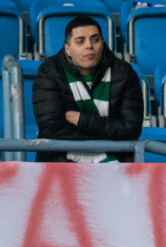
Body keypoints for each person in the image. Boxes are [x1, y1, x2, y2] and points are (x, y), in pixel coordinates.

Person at [32, 16, 143, 162]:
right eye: (80, 41)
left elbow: (131, 129)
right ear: (68, 49)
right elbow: (51, 128)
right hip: (60, 163)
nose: (89, 46)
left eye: (95, 40)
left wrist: (81, 120)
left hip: (117, 163)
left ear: (102, 43)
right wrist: (109, 134)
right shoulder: (50, 71)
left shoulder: (123, 72)